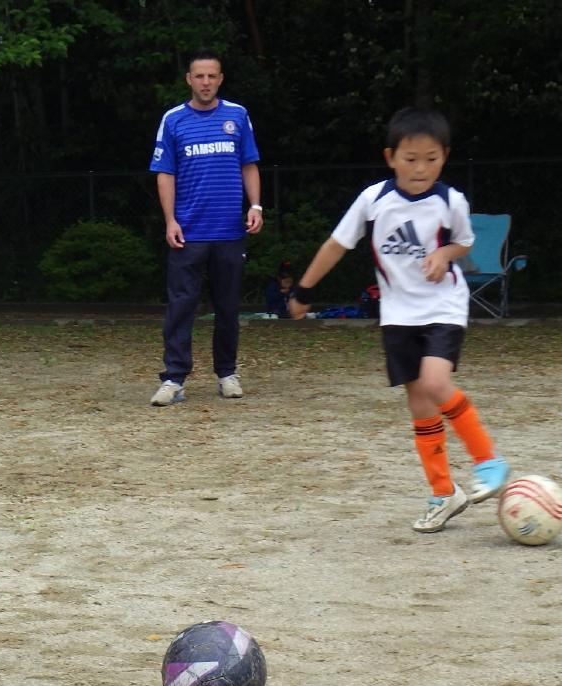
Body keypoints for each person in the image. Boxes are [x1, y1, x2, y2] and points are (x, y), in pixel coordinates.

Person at [291, 108, 509, 533]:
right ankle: (444, 493)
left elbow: (464, 243)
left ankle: (488, 461)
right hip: (397, 316)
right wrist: (303, 289)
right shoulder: (373, 201)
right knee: (420, 405)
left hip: (443, 307)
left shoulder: (451, 201)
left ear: (445, 157)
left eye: (431, 158)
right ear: (391, 157)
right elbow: (336, 245)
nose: (420, 168)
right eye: (410, 159)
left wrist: (444, 253)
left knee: (435, 383)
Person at [149, 50, 263, 406]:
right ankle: (174, 378)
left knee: (227, 307)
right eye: (199, 76)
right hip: (189, 233)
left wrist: (255, 205)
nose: (206, 82)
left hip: (230, 231)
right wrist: (170, 220)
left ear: (220, 79)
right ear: (189, 79)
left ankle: (227, 373)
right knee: (181, 307)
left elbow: (249, 163)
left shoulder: (237, 115)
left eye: (212, 76)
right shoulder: (173, 120)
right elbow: (165, 173)